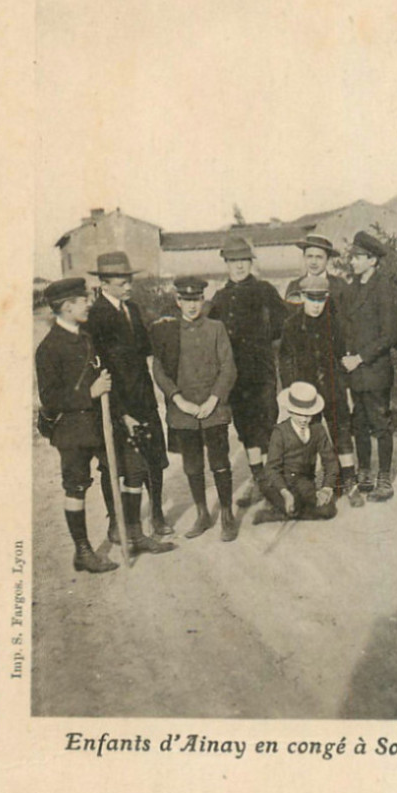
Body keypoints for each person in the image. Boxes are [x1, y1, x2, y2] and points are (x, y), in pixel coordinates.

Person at [86, 252, 176, 556]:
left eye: (129, 281)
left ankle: (158, 515)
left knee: (154, 455)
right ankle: (116, 523)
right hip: (117, 400)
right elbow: (99, 366)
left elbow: (145, 349)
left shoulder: (133, 309)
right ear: (104, 284)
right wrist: (119, 411)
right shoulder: (96, 316)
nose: (128, 287)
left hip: (143, 397)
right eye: (121, 282)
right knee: (117, 465)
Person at [35, 277, 119, 573]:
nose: (88, 303)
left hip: (97, 424)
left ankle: (119, 529)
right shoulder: (48, 348)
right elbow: (50, 398)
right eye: (83, 300)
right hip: (70, 431)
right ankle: (82, 551)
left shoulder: (85, 336)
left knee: (117, 469)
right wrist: (90, 393)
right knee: (76, 488)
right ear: (67, 307)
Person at [151, 276, 238, 542]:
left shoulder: (216, 328)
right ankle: (202, 514)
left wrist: (214, 399)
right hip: (183, 411)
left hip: (214, 408)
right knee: (192, 465)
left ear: (203, 300)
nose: (191, 306)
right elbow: (159, 370)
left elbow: (228, 367)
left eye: (196, 300)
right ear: (178, 301)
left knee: (220, 462)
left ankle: (226, 514)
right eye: (186, 300)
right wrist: (178, 399)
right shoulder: (168, 331)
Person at [209, 233, 287, 507]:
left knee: (266, 426)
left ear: (250, 262)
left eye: (243, 261)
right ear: (226, 264)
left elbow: (282, 327)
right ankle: (258, 481)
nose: (239, 266)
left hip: (262, 372)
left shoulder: (265, 291)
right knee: (246, 430)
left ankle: (273, 486)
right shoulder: (219, 299)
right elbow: (212, 339)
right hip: (235, 377)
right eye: (233, 261)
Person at [279, 274, 363, 506]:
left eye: (321, 300)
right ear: (303, 297)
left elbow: (342, 355)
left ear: (326, 298)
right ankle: (308, 483)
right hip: (305, 390)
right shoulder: (292, 324)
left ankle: (349, 482)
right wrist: (290, 389)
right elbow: (285, 358)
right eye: (312, 300)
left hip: (332, 386)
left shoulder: (334, 322)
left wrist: (345, 387)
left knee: (341, 433)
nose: (316, 305)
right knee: (308, 434)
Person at [341, 230, 397, 501]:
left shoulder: (384, 288)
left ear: (373, 260)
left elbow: (389, 334)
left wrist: (360, 358)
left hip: (374, 369)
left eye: (358, 257)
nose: (353, 261)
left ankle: (384, 476)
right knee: (359, 422)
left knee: (380, 423)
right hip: (354, 370)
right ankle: (365, 471)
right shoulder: (351, 289)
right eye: (353, 257)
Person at [253, 382, 338, 524]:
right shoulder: (280, 432)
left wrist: (327, 487)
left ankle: (280, 513)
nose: (304, 420)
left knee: (328, 510)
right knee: (291, 503)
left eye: (308, 415)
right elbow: (271, 469)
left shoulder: (318, 430)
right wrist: (285, 493)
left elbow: (330, 461)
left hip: (303, 481)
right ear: (291, 411)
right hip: (278, 482)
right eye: (299, 414)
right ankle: (282, 509)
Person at [284, 232, 349, 317]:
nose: (313, 262)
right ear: (304, 257)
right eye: (309, 256)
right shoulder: (294, 286)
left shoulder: (339, 285)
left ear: (328, 260)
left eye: (319, 257)